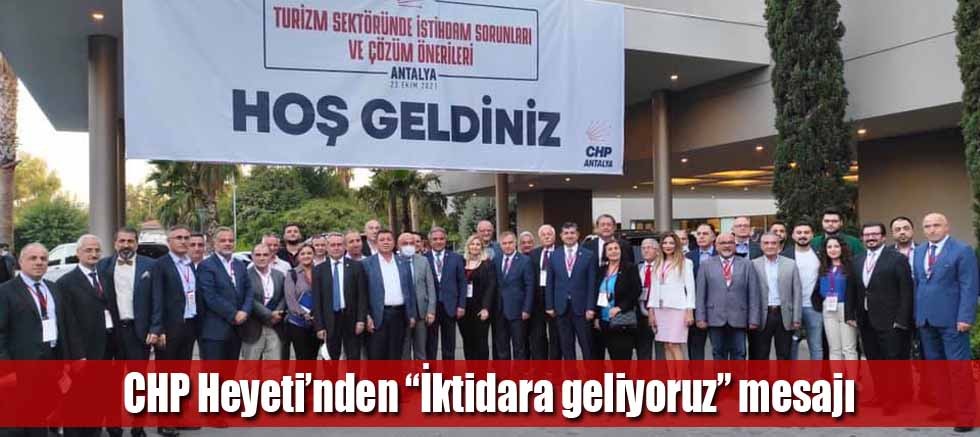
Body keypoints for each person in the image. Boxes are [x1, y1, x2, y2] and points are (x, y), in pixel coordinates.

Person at [0, 243, 83, 437]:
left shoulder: (54, 289)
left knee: (41, 416)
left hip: (51, 364)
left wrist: (69, 361)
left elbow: (65, 326)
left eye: (43, 259)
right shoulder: (5, 291)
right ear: (21, 262)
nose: (39, 262)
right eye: (33, 258)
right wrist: (6, 369)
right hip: (20, 367)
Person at [914, 213, 977, 430]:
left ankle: (965, 416)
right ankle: (945, 409)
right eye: (927, 226)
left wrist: (965, 317)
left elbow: (969, 286)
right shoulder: (919, 251)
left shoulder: (962, 250)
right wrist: (917, 316)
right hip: (926, 321)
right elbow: (918, 284)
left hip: (953, 321)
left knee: (958, 370)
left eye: (936, 225)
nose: (932, 230)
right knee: (936, 370)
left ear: (946, 227)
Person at [852, 222, 914, 415]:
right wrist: (850, 315)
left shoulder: (897, 259)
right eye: (867, 235)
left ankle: (892, 400)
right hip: (866, 320)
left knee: (891, 362)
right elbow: (854, 290)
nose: (871, 238)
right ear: (862, 238)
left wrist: (902, 319)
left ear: (883, 237)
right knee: (874, 360)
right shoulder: (857, 260)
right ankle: (880, 395)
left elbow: (906, 291)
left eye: (875, 234)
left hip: (890, 320)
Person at [695, 233, 762, 360]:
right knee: (718, 353)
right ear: (716, 246)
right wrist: (700, 317)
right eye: (723, 243)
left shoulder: (747, 264)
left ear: (735, 246)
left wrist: (754, 318)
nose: (727, 246)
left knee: (739, 353)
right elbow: (700, 294)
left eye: (730, 243)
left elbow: (753, 293)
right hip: (714, 317)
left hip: (739, 317)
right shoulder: (706, 265)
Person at [98, 227, 156, 361]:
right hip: (113, 330)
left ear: (136, 244)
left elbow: (157, 299)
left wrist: (156, 328)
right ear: (115, 244)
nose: (126, 245)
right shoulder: (102, 265)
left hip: (139, 330)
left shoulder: (151, 265)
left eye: (130, 241)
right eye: (122, 241)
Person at [196, 227, 251, 360]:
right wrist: (234, 314)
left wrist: (245, 311)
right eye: (223, 240)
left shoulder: (240, 265)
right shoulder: (206, 265)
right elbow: (210, 296)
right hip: (215, 331)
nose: (227, 243)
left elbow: (249, 290)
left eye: (231, 240)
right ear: (214, 243)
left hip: (237, 330)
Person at [57, 235, 114, 361]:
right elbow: (68, 323)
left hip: (110, 343)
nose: (94, 254)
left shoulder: (107, 277)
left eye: (97, 250)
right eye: (88, 250)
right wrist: (77, 354)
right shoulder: (65, 283)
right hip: (86, 348)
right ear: (78, 253)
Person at [546, 222, 598, 360]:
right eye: (566, 233)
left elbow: (592, 283)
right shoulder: (554, 255)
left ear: (578, 235)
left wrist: (590, 307)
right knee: (566, 346)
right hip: (561, 308)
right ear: (561, 236)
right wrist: (549, 305)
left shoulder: (588, 255)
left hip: (582, 308)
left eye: (572, 233)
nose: (569, 236)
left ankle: (590, 373)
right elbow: (550, 282)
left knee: (586, 345)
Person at [361, 230, 417, 360]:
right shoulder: (367, 264)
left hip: (399, 315)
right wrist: (367, 316)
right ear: (376, 243)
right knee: (376, 355)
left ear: (394, 243)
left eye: (389, 239)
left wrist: (411, 314)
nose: (386, 242)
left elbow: (410, 290)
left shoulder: (403, 262)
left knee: (396, 355)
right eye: (382, 240)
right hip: (378, 316)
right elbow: (363, 294)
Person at [312, 233, 368, 360]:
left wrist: (361, 320)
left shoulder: (356, 266)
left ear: (345, 247)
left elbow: (362, 296)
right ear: (327, 247)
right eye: (333, 245)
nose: (336, 248)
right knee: (330, 359)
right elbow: (317, 300)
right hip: (330, 319)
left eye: (339, 244)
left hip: (351, 318)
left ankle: (352, 375)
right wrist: (319, 326)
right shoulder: (319, 270)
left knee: (354, 357)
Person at [151, 225, 201, 361]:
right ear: (169, 241)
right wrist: (159, 329)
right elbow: (157, 298)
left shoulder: (190, 264)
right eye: (179, 238)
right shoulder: (160, 265)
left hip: (189, 324)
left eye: (186, 238)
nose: (183, 241)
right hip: (169, 327)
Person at [749, 233, 802, 360]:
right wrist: (751, 318)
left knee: (784, 355)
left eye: (773, 243)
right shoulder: (752, 264)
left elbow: (797, 292)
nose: (770, 246)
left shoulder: (791, 264)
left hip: (784, 315)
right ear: (761, 246)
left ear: (779, 245)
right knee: (760, 355)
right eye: (766, 243)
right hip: (762, 315)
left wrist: (796, 318)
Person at [810, 236, 859, 360]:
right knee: (834, 349)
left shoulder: (851, 266)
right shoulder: (823, 267)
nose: (833, 249)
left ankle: (851, 374)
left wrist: (853, 313)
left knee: (848, 348)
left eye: (836, 246)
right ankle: (837, 374)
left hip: (846, 308)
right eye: (829, 247)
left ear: (842, 248)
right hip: (828, 308)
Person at [647, 234, 695, 360]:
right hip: (660, 308)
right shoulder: (657, 263)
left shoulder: (686, 263)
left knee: (674, 344)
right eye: (665, 243)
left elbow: (690, 288)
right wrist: (651, 310)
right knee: (666, 345)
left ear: (677, 245)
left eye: (671, 243)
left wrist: (689, 311)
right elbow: (653, 289)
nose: (668, 246)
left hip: (678, 308)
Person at [424, 227, 466, 360]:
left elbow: (462, 283)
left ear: (445, 240)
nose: (438, 241)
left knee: (449, 346)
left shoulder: (456, 258)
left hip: (450, 307)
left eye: (441, 239)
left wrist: (461, 305)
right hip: (430, 309)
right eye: (435, 239)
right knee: (430, 346)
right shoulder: (423, 259)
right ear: (430, 241)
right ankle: (429, 373)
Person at [595, 240, 640, 360]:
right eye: (610, 249)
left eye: (616, 248)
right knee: (609, 354)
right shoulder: (602, 269)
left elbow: (636, 291)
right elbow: (596, 293)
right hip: (604, 320)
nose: (613, 251)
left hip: (621, 319)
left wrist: (620, 308)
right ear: (605, 253)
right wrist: (597, 316)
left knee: (621, 358)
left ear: (621, 251)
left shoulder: (629, 268)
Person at [785, 222, 824, 360]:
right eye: (799, 232)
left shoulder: (820, 254)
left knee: (816, 346)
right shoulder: (785, 255)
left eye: (806, 232)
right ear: (793, 235)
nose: (802, 235)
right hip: (791, 307)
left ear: (812, 235)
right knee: (791, 345)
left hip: (814, 306)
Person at [241, 244, 285, 360]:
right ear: (252, 256)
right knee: (251, 366)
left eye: (265, 255)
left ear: (271, 256)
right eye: (258, 255)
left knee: (273, 366)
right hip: (253, 327)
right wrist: (269, 314)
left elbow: (284, 296)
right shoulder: (244, 275)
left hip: (275, 326)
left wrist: (278, 312)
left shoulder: (279, 275)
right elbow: (248, 298)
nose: (261, 258)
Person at [493, 232, 533, 360]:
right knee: (502, 347)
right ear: (500, 245)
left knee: (519, 346)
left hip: (518, 311)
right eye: (504, 243)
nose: (507, 246)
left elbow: (529, 286)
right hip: (499, 311)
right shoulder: (496, 260)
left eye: (510, 242)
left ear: (515, 243)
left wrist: (527, 309)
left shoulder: (525, 261)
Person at [398, 232, 436, 360]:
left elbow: (430, 287)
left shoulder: (423, 261)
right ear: (398, 245)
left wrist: (431, 310)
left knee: (421, 352)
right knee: (404, 352)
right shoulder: (394, 262)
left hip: (421, 313)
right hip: (403, 314)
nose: (408, 246)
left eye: (411, 243)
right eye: (405, 243)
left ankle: (422, 373)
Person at [458, 234, 496, 359]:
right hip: (464, 308)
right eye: (472, 244)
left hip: (480, 308)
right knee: (467, 341)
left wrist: (486, 308)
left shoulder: (487, 264)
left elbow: (491, 287)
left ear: (482, 247)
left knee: (481, 342)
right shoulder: (461, 262)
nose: (475, 247)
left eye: (478, 244)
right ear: (468, 246)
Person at [528, 225, 561, 360]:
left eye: (549, 234)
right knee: (537, 335)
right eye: (543, 235)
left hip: (555, 299)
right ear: (539, 238)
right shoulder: (534, 254)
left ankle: (554, 367)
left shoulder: (561, 252)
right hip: (537, 300)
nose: (547, 236)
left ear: (554, 236)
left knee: (555, 336)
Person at [685, 223, 716, 360]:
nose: (701, 237)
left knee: (719, 348)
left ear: (713, 237)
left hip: (718, 309)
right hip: (696, 308)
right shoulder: (688, 257)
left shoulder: (722, 254)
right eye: (699, 234)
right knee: (695, 349)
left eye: (705, 234)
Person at [283, 244, 319, 359]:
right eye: (303, 254)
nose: (306, 256)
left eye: (309, 253)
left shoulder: (320, 271)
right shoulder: (292, 274)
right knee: (302, 357)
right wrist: (304, 314)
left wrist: (316, 314)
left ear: (314, 255)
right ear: (298, 256)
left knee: (313, 357)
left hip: (316, 321)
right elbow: (290, 299)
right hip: (298, 322)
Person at [635, 238, 660, 360]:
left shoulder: (663, 267)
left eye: (649, 247)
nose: (645, 250)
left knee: (662, 349)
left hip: (659, 312)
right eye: (643, 248)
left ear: (657, 250)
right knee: (643, 350)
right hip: (641, 313)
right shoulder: (637, 268)